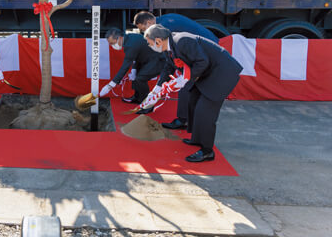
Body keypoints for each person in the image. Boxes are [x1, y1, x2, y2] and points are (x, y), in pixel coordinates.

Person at [143, 24, 242, 162]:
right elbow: (168, 67)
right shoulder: (169, 46)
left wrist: (183, 79)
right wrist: (156, 90)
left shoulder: (182, 41)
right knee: (193, 102)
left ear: (158, 41)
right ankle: (197, 139)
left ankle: (207, 151)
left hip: (221, 73)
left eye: (149, 43)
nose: (149, 46)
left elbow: (203, 62)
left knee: (205, 111)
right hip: (207, 72)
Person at [134, 11, 218, 130]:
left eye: (143, 30)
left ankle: (183, 120)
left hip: (207, 51)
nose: (145, 34)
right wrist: (156, 90)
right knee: (186, 82)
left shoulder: (164, 29)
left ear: (149, 22)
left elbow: (170, 63)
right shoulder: (165, 20)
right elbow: (170, 64)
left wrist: (156, 92)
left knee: (186, 84)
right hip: (201, 48)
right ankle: (188, 119)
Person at [99, 28, 164, 112]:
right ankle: (138, 97)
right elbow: (138, 54)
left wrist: (111, 84)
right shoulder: (129, 38)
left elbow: (125, 66)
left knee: (140, 79)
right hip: (146, 59)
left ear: (119, 38)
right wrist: (134, 69)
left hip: (157, 60)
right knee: (135, 77)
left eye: (112, 43)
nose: (112, 46)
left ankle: (148, 105)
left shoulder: (130, 45)